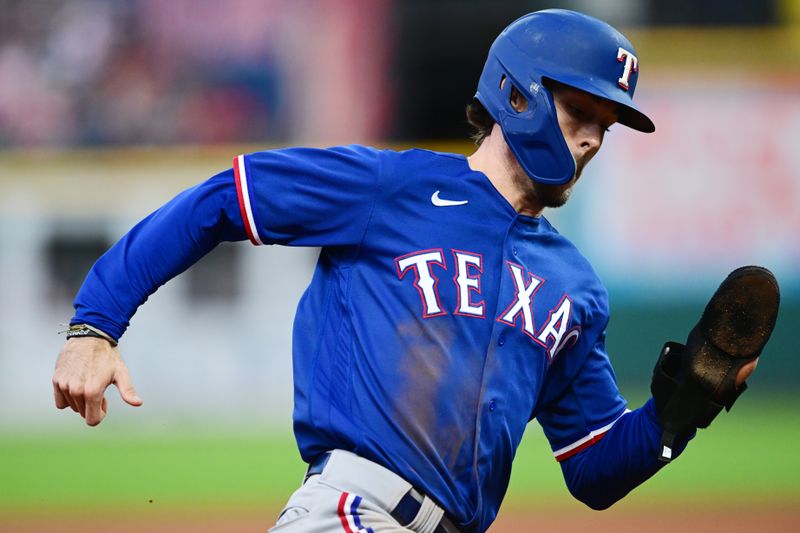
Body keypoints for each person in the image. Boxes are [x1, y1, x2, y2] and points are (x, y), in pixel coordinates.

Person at [52, 9, 779, 533]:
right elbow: (220, 199)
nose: (592, 137)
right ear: (518, 93)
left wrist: (682, 411)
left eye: (607, 122)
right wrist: (96, 321)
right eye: (579, 109)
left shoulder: (575, 286)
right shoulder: (388, 188)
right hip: (352, 511)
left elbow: (593, 469)